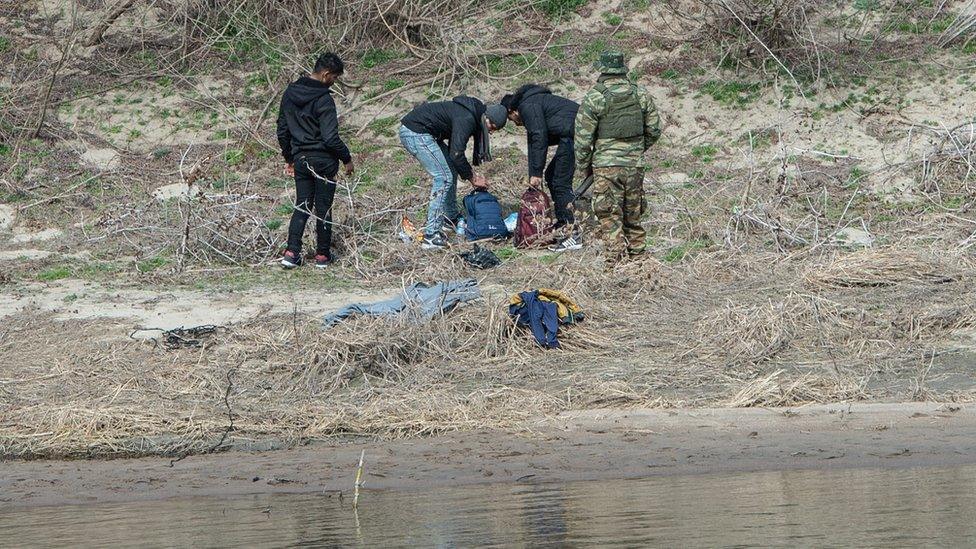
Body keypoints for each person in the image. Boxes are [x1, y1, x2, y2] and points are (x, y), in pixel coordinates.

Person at [574, 51, 661, 264]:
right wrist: (635, 151)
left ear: (603, 69)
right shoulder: (640, 94)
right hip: (634, 167)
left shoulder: (596, 96)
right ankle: (639, 265)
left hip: (605, 168)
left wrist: (585, 165)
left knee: (609, 219)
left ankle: (616, 268)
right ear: (622, 69)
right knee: (633, 218)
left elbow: (583, 138)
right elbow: (655, 129)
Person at [275, 52, 354, 269]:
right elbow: (330, 138)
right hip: (324, 161)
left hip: (301, 159)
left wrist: (289, 158)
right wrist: (346, 158)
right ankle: (322, 255)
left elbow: (282, 130)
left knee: (302, 205)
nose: (334, 82)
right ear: (326, 74)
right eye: (335, 78)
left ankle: (291, 253)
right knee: (324, 208)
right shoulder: (324, 100)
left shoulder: (290, 93)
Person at [399, 96, 507, 249]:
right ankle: (431, 235)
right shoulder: (467, 118)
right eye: (492, 127)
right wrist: (472, 178)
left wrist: (470, 174)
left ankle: (450, 219)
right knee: (443, 178)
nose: (491, 132)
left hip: (425, 133)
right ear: (487, 118)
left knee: (450, 170)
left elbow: (454, 152)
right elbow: (456, 154)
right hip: (415, 133)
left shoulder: (472, 115)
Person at [500, 84, 581, 252]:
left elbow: (539, 136)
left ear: (511, 111)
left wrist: (536, 173)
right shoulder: (533, 102)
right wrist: (533, 173)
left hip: (577, 133)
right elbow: (534, 143)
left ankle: (573, 233)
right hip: (572, 134)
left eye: (511, 120)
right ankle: (563, 222)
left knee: (559, 182)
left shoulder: (527, 105)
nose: (515, 124)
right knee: (552, 176)